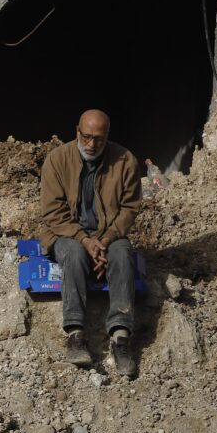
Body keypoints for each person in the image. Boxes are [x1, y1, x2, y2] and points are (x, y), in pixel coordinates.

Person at [39, 109, 142, 376]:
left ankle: (120, 337)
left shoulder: (125, 161)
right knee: (73, 255)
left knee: (122, 256)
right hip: (68, 234)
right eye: (86, 137)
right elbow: (52, 212)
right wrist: (85, 241)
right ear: (77, 132)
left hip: (110, 235)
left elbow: (129, 209)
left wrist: (105, 241)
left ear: (107, 136)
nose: (91, 144)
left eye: (98, 138)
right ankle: (75, 334)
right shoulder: (57, 160)